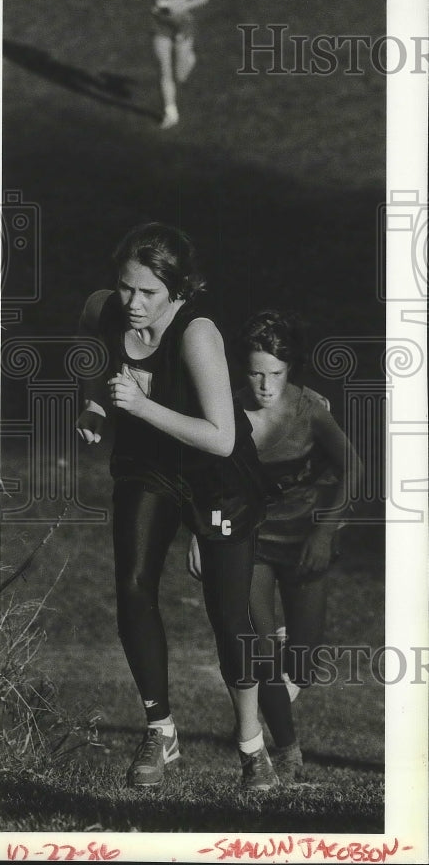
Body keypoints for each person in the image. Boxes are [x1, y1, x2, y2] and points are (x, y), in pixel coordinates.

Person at [76, 223, 278, 791]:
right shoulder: (106, 308)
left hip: (218, 478)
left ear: (179, 290)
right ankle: (160, 731)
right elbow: (88, 334)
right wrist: (94, 402)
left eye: (149, 294)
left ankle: (251, 747)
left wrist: (137, 405)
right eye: (126, 288)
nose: (133, 304)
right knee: (133, 586)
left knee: (228, 617)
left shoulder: (197, 334)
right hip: (150, 465)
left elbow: (221, 438)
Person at [188, 309, 362, 783]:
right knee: (259, 650)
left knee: (301, 665)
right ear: (241, 369)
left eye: (277, 374)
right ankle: (284, 752)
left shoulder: (311, 410)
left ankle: (279, 687)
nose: (265, 385)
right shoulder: (226, 411)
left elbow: (355, 469)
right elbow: (210, 484)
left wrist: (326, 531)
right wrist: (207, 534)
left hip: (305, 542)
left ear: (292, 370)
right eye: (255, 372)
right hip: (250, 543)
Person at [132, 0, 208, 129]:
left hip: (182, 22)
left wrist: (181, 5)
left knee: (180, 75)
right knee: (163, 69)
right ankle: (170, 112)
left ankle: (189, 59)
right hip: (159, 23)